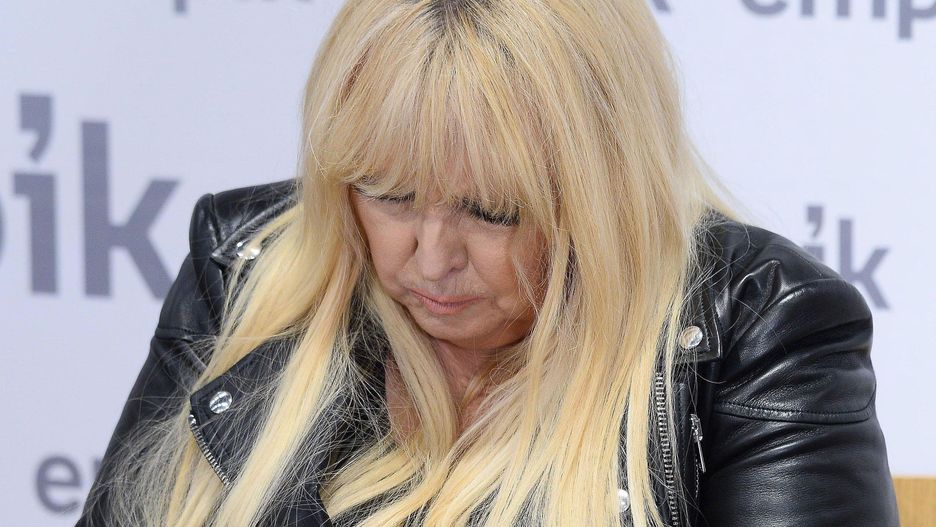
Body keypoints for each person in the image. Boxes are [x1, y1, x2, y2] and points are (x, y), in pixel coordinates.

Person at [75, 1, 900, 526]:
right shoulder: (248, 263)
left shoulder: (756, 327)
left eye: (494, 211)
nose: (431, 259)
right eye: (389, 195)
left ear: (603, 189)